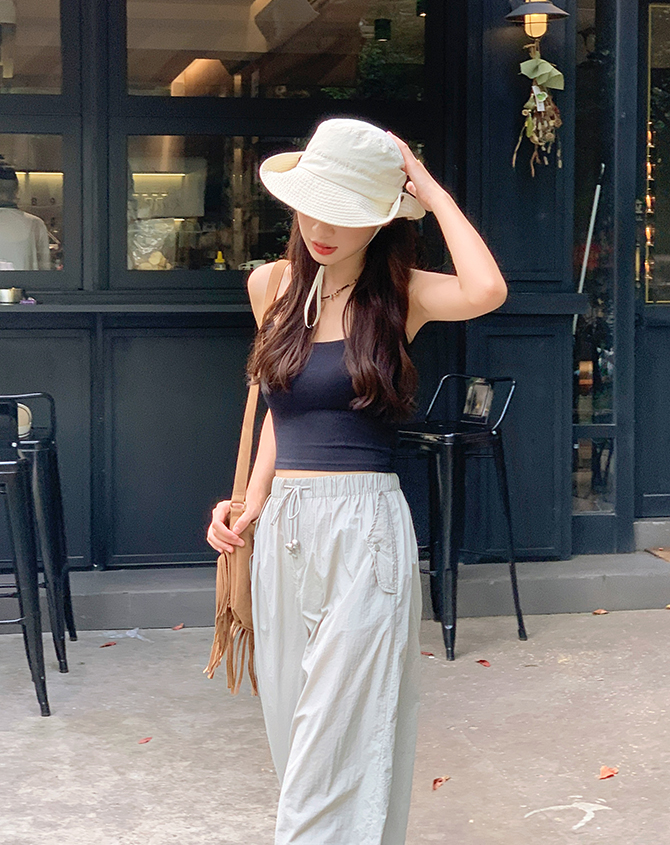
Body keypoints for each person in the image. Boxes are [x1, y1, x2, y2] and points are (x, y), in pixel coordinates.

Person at [207, 118, 508, 845]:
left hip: (364, 530)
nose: (321, 229)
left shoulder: (403, 296)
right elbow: (280, 411)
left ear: (381, 220)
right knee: (295, 738)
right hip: (283, 530)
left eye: (344, 213)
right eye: (312, 207)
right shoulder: (270, 287)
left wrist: (428, 191)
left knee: (337, 746)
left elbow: (487, 288)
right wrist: (248, 504)